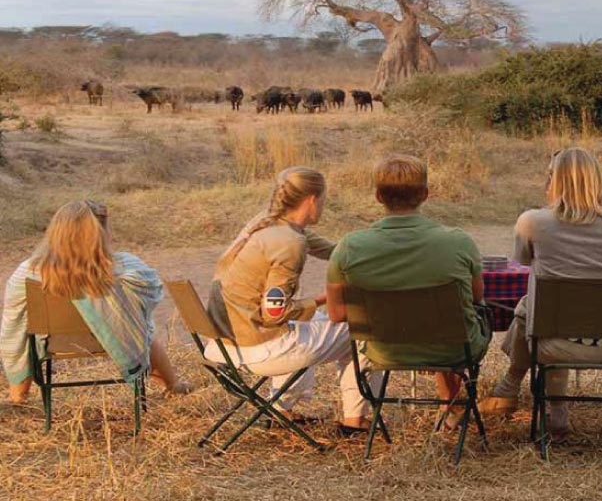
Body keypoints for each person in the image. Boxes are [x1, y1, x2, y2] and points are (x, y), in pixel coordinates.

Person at [478, 147, 602, 439]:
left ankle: (521, 392)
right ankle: (518, 393)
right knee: (536, 307)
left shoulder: (533, 221)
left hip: (558, 343)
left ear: (554, 180)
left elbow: (523, 261)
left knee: (533, 309)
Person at [205, 167, 378, 435]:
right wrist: (324, 299)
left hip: (224, 342)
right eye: (324, 199)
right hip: (257, 347)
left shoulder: (267, 223)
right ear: (312, 199)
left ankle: (281, 410)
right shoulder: (290, 242)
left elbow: (333, 251)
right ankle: (354, 421)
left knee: (313, 322)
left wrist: (375, 253)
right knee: (362, 331)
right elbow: (275, 313)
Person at [325, 155, 490, 428]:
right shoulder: (458, 242)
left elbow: (337, 313)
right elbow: (475, 299)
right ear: (425, 194)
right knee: (456, 325)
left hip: (385, 351)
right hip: (450, 350)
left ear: (378, 197)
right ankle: (452, 408)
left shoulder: (349, 247)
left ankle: (450, 407)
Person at [1, 200, 189, 403]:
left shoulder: (29, 272)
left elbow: (14, 324)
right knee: (141, 327)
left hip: (52, 344)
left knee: (21, 332)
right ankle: (173, 386)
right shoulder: (126, 266)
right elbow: (154, 294)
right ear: (102, 231)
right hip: (119, 342)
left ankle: (18, 395)